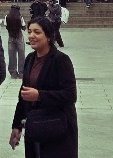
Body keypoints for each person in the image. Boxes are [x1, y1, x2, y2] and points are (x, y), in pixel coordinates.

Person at [9, 17, 77, 158]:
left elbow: (70, 95)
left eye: (37, 32)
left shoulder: (61, 60)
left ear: (48, 36)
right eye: (29, 32)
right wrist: (16, 126)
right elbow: (23, 96)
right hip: (35, 126)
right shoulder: (30, 59)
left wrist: (40, 95)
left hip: (56, 128)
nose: (31, 36)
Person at [5, 5, 25, 80]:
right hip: (19, 37)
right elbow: (23, 26)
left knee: (11, 55)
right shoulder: (20, 17)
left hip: (11, 37)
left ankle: (13, 72)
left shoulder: (7, 16)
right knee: (21, 54)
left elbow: (6, 26)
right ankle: (21, 72)